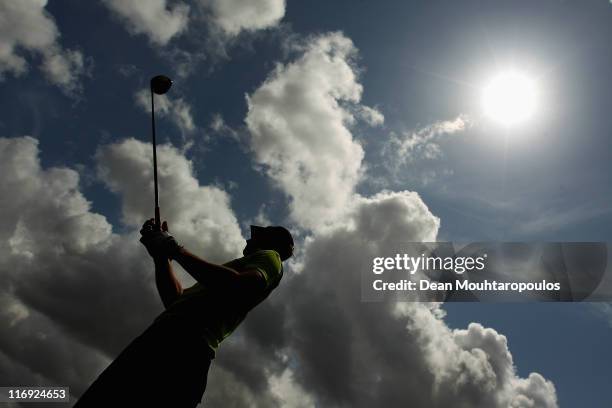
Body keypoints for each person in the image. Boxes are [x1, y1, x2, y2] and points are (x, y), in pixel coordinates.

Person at [75, 221, 294, 407]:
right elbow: (174, 300)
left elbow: (237, 285)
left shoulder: (270, 256)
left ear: (270, 242)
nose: (247, 240)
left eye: (255, 237)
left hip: (183, 343)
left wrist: (174, 248)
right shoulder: (236, 270)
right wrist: (161, 257)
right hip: (172, 339)